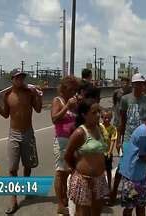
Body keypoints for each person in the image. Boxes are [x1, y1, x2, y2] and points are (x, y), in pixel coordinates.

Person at [0, 70, 42, 214]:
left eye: (22, 78)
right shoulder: (8, 95)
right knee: (13, 168)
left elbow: (38, 110)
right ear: (12, 79)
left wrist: (38, 96)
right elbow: (6, 114)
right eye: (18, 78)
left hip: (28, 133)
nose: (21, 80)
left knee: (28, 165)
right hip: (14, 134)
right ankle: (13, 200)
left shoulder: (29, 93)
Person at [111, 73, 146, 203]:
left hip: (143, 140)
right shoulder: (125, 99)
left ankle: (137, 194)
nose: (140, 86)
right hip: (129, 139)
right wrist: (119, 140)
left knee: (140, 167)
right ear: (133, 85)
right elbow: (122, 121)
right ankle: (114, 193)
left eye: (142, 83)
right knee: (123, 167)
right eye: (137, 83)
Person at [65, 99, 109, 216]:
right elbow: (67, 155)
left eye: (98, 111)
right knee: (82, 213)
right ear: (84, 115)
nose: (98, 115)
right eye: (94, 113)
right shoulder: (80, 132)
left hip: (99, 180)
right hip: (84, 181)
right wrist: (76, 169)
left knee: (96, 212)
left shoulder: (99, 129)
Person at [51, 76, 79, 215]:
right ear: (65, 88)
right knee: (60, 172)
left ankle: (65, 198)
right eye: (72, 89)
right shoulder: (58, 101)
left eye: (75, 90)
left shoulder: (73, 102)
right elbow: (54, 118)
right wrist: (67, 106)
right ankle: (60, 204)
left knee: (69, 171)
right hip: (62, 140)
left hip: (72, 141)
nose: (73, 92)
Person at [99, 109, 117, 192]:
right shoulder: (99, 127)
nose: (107, 120)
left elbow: (113, 140)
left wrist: (110, 152)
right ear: (102, 117)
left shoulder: (113, 128)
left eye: (109, 118)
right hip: (100, 153)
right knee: (100, 171)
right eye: (105, 118)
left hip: (107, 153)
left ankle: (109, 186)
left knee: (108, 170)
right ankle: (101, 187)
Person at [112, 77, 132, 154]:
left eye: (127, 83)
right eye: (123, 83)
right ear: (121, 83)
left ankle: (125, 149)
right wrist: (115, 108)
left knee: (126, 133)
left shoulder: (130, 92)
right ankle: (118, 148)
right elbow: (114, 101)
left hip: (127, 115)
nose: (125, 84)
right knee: (118, 132)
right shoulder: (116, 92)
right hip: (118, 115)